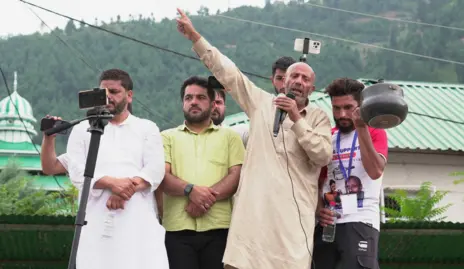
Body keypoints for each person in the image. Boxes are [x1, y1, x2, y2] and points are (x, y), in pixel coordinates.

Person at [175, 8, 333, 269]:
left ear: (312, 89)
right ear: (282, 82)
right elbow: (230, 73)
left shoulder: (318, 119)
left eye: (305, 79)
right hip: (253, 228)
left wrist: (296, 118)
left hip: (292, 232)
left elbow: (322, 155)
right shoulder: (261, 103)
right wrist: (195, 37)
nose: (298, 81)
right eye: (294, 76)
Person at [65, 69, 169, 269]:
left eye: (114, 92)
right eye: (104, 92)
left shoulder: (147, 128)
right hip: (95, 220)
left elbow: (155, 169)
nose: (108, 97)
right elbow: (76, 171)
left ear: (129, 95)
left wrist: (123, 191)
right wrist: (112, 183)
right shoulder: (82, 129)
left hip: (138, 222)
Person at [160, 76, 245, 269]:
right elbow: (163, 177)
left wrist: (203, 200)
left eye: (200, 97)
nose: (194, 102)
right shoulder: (167, 137)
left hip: (220, 229)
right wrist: (191, 190)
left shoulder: (230, 138)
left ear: (212, 103)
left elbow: (236, 176)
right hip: (177, 230)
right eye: (188, 98)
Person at [313, 78, 388, 269]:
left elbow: (375, 170)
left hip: (360, 220)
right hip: (328, 224)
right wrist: (318, 208)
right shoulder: (327, 136)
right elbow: (317, 181)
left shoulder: (374, 131)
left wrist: (361, 127)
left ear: (360, 106)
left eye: (348, 107)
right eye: (336, 108)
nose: (342, 114)